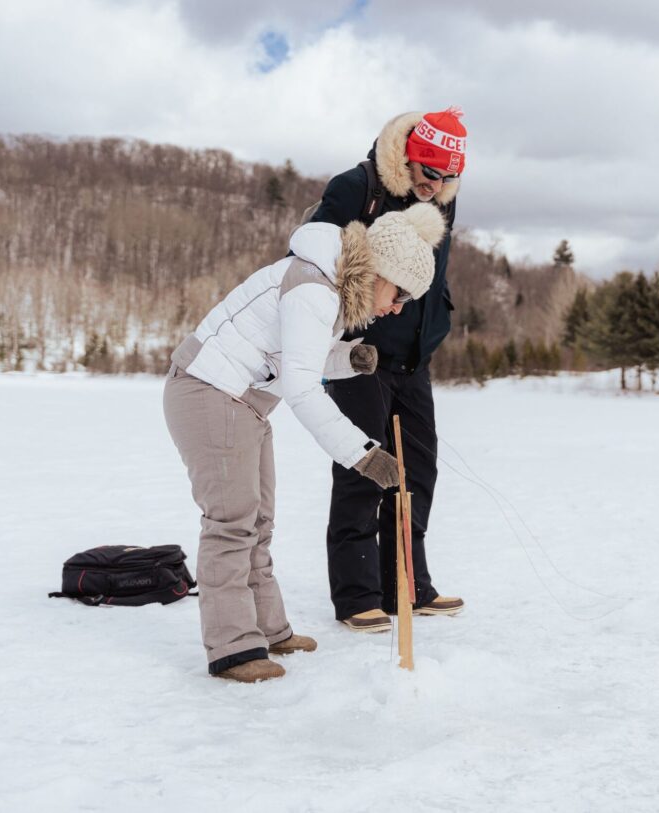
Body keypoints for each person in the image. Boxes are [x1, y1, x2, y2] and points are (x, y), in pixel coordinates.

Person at [164, 203, 446, 682]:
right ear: (381, 272)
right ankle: (232, 648)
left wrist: (347, 359)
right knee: (232, 523)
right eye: (400, 294)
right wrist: (363, 454)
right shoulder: (314, 289)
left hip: (243, 401)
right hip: (209, 393)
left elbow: (299, 357)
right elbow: (299, 385)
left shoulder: (329, 289)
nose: (397, 308)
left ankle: (268, 631)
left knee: (259, 521)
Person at [310, 107, 467, 632]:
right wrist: (349, 330)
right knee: (364, 470)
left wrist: (435, 323)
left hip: (414, 360)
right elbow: (315, 261)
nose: (436, 185)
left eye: (448, 177)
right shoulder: (357, 187)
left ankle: (407, 586)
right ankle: (357, 597)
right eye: (428, 173)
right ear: (408, 159)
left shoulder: (444, 198)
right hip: (358, 355)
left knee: (418, 473)